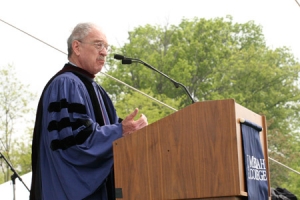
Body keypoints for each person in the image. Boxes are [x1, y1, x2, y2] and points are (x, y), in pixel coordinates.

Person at [30, 22, 148, 200]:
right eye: (98, 44)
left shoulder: (98, 91)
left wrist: (132, 133)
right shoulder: (66, 84)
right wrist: (120, 131)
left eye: (106, 47)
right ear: (76, 47)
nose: (105, 52)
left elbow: (115, 135)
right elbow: (77, 141)